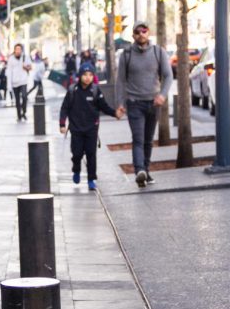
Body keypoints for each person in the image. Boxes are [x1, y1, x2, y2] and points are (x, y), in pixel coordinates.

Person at [116, 20, 172, 188]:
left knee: (148, 140)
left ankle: (145, 172)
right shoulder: (126, 54)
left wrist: (162, 95)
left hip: (153, 103)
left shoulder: (158, 52)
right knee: (138, 139)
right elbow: (120, 81)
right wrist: (119, 103)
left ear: (148, 33)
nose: (141, 34)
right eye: (138, 32)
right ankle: (139, 170)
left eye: (144, 31)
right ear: (133, 35)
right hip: (134, 103)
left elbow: (168, 76)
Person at [59, 63, 123, 190]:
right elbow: (64, 108)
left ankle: (91, 179)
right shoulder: (72, 90)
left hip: (91, 129)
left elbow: (103, 106)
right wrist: (62, 124)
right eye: (84, 75)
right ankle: (76, 169)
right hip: (76, 129)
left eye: (90, 75)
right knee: (76, 154)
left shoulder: (95, 90)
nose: (87, 77)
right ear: (79, 76)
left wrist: (114, 113)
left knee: (91, 154)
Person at [6, 44, 32, 121]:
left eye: (19, 49)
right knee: (17, 100)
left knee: (24, 96)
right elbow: (9, 72)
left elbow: (30, 67)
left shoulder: (25, 57)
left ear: (21, 50)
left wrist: (25, 67)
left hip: (23, 81)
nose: (18, 51)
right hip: (15, 82)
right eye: (16, 49)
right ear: (14, 50)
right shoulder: (11, 59)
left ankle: (24, 112)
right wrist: (9, 84)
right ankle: (19, 115)